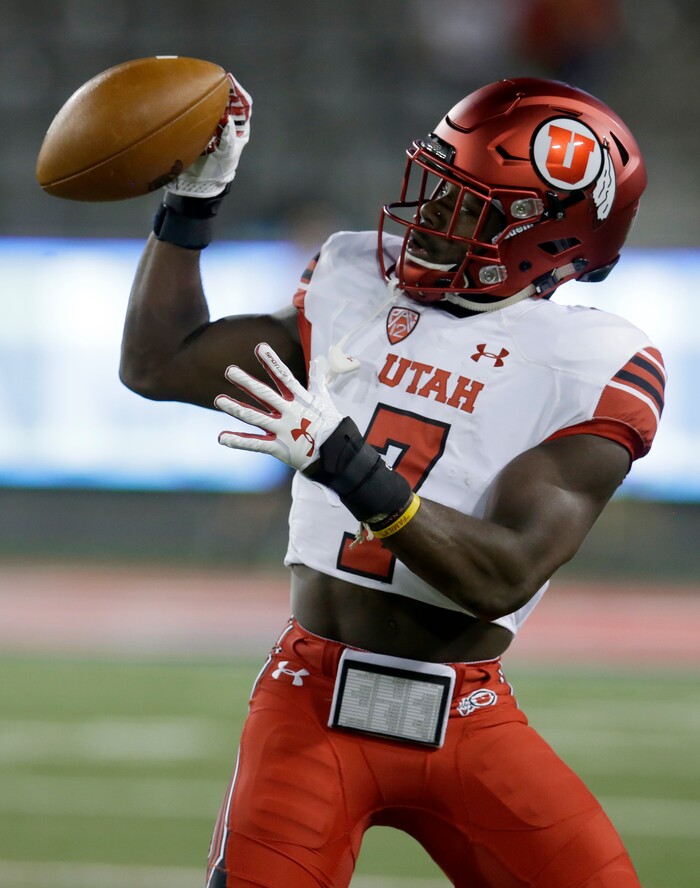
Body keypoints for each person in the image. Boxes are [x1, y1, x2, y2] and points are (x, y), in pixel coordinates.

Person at [120, 74, 665, 887]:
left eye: (464, 202)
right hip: (311, 697)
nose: (429, 215)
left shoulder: (593, 364)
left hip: (467, 715)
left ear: (544, 235)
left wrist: (345, 460)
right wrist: (192, 205)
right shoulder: (356, 284)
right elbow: (159, 362)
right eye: (438, 186)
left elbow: (502, 574)